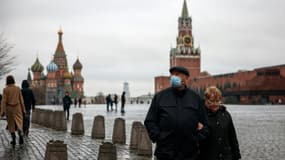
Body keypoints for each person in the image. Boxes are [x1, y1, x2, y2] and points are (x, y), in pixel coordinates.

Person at [144, 66, 209, 160]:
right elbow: (150, 121)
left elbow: (206, 124)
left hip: (189, 154)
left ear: (186, 78)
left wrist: (196, 139)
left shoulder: (196, 98)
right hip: (165, 153)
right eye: (172, 75)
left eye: (177, 75)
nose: (174, 77)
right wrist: (159, 137)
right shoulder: (160, 97)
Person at [198, 86, 241, 160]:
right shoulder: (199, 115)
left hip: (225, 156)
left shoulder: (225, 115)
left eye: (217, 101)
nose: (215, 104)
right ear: (206, 100)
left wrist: (236, 155)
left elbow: (232, 137)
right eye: (211, 101)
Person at [0, 75, 26, 147]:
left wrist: (2, 111)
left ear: (7, 81)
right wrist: (23, 109)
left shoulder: (5, 89)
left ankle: (14, 139)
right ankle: (20, 131)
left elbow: (3, 101)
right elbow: (21, 100)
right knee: (19, 122)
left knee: (11, 124)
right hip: (17, 108)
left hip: (9, 108)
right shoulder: (17, 88)